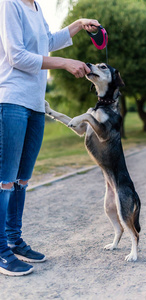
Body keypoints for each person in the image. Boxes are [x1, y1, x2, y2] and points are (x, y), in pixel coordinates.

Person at [0, 0, 100, 276]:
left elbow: (46, 42)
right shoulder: (10, 4)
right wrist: (65, 63)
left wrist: (78, 25)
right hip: (11, 101)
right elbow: (16, 56)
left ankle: (13, 240)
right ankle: (1, 250)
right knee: (5, 179)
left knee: (22, 178)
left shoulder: (35, 7)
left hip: (34, 103)